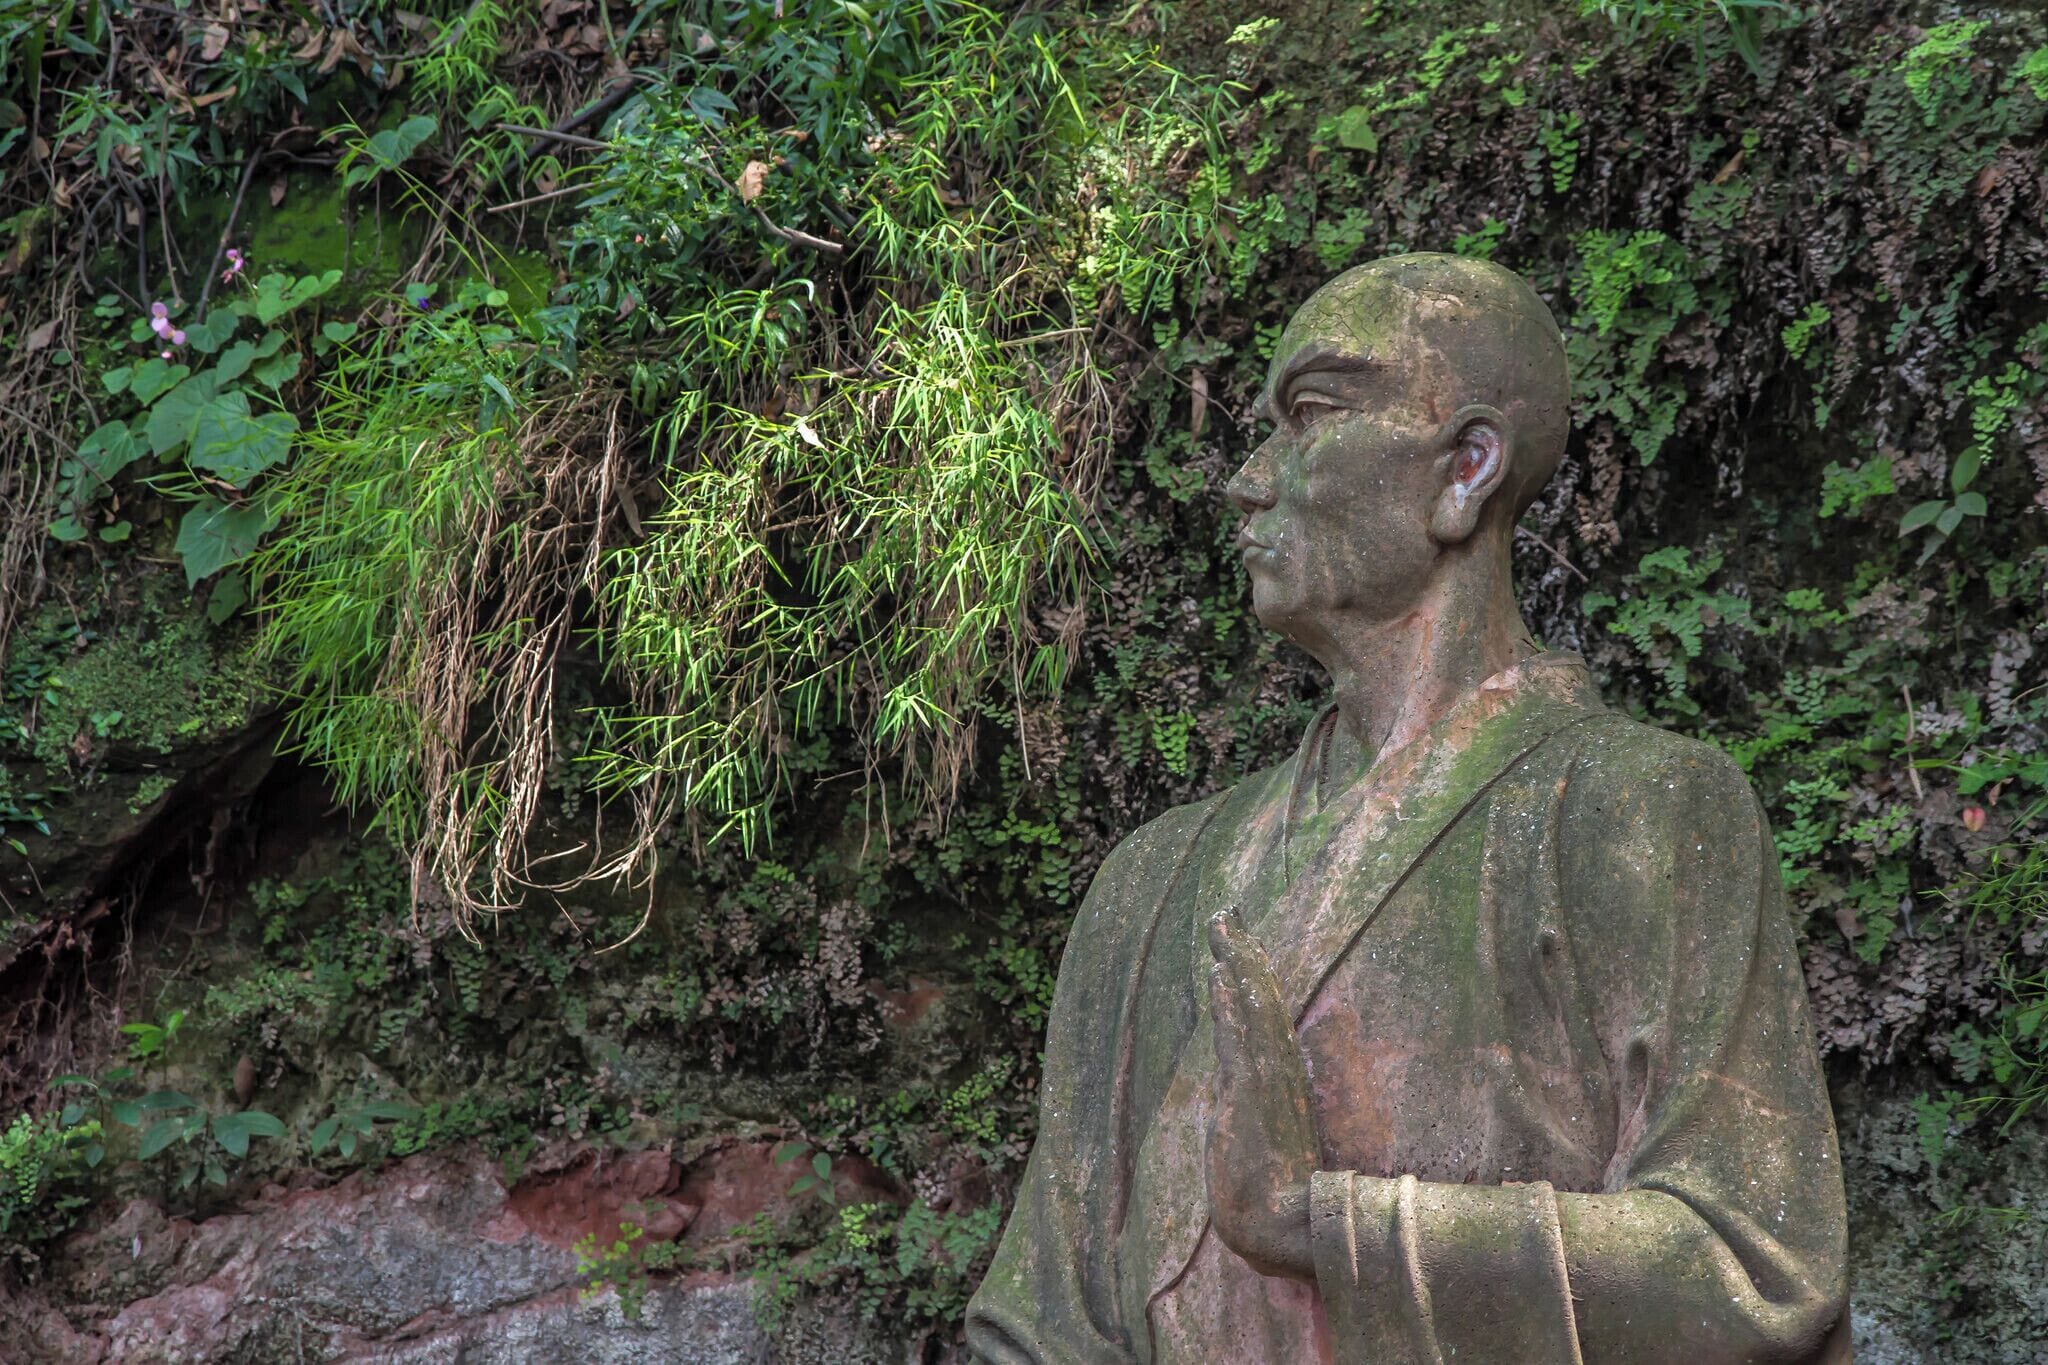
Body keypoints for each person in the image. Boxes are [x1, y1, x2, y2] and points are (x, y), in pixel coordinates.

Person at [964, 254, 1851, 1364]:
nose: (1247, 479)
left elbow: (1753, 1271)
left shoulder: (1638, 812)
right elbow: (1038, 1328)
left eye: (1311, 415)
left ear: (1466, 467)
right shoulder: (1148, 885)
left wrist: (1320, 1226)